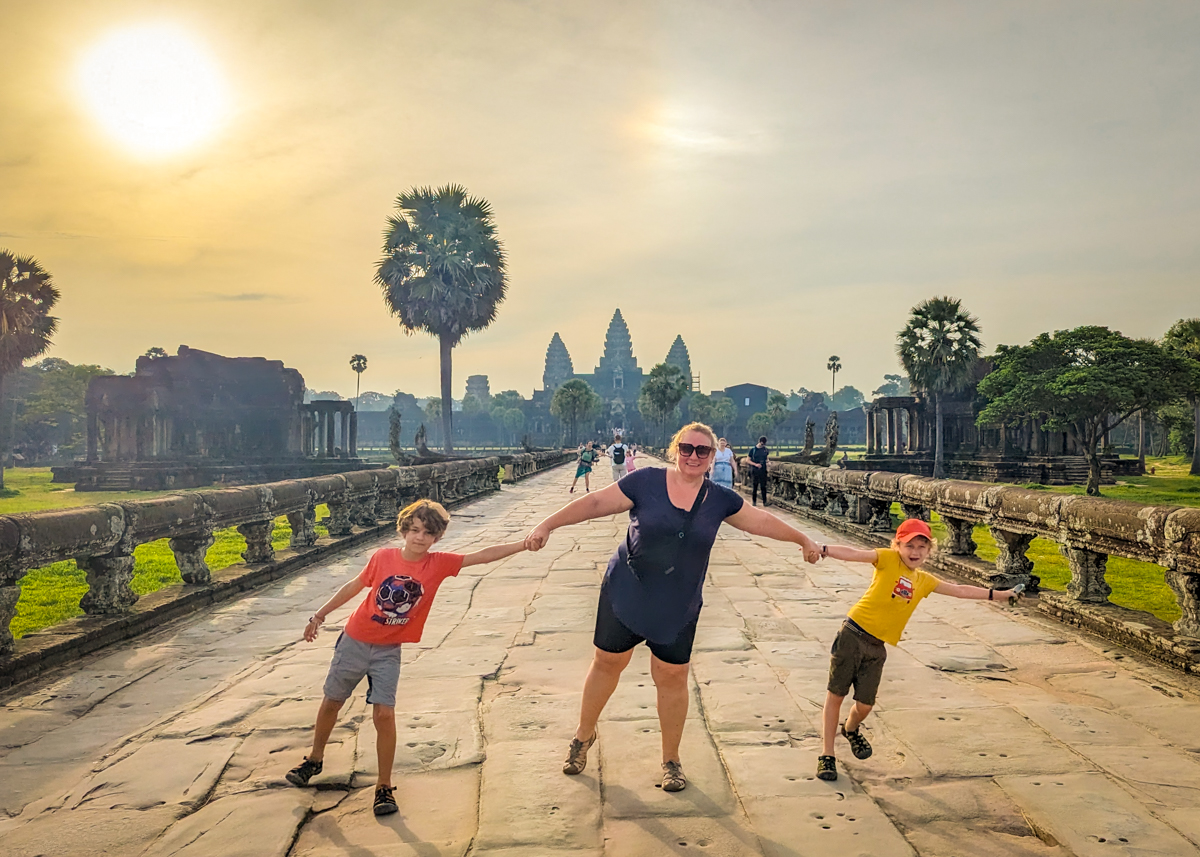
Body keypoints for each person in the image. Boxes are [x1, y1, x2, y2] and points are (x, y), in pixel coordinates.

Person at [524, 422, 822, 792]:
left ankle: (671, 759)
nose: (693, 456)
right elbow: (596, 502)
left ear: (712, 457)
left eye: (702, 450)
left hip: (678, 601)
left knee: (672, 676)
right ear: (674, 449)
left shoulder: (719, 499)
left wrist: (801, 539)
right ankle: (583, 736)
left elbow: (759, 521)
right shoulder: (646, 481)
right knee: (607, 663)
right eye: (686, 448)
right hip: (628, 589)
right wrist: (548, 524)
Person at [285, 499, 526, 814]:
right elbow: (355, 585)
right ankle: (314, 759)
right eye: (414, 530)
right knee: (332, 701)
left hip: (388, 650)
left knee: (384, 714)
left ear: (437, 537)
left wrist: (523, 544)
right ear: (404, 531)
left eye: (427, 533)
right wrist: (319, 615)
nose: (419, 537)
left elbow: (480, 556)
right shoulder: (383, 557)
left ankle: (384, 786)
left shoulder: (437, 564)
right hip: (355, 641)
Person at [810, 518, 1024, 782]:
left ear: (929, 551)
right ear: (897, 545)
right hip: (852, 635)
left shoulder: (923, 580)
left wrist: (1001, 595)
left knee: (865, 705)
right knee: (836, 695)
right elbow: (855, 554)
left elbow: (959, 590)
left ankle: (851, 728)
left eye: (922, 546)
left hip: (877, 647)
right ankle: (827, 755)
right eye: (909, 545)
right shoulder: (888, 559)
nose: (915, 552)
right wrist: (823, 549)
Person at [747, 435, 770, 506]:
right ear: (759, 442)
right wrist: (755, 464)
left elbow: (767, 458)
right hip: (755, 470)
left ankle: (765, 501)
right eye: (762, 444)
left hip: (763, 469)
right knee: (755, 486)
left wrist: (768, 463)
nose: (762, 445)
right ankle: (754, 501)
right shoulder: (753, 450)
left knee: (763, 486)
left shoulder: (765, 450)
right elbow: (747, 460)